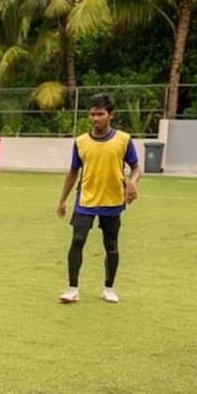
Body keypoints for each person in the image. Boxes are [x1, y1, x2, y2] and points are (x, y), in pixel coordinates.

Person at [56, 93, 140, 304]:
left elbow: (136, 167)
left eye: (100, 114)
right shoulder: (81, 142)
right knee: (77, 241)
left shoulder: (124, 140)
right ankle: (72, 288)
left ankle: (109, 288)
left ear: (110, 115)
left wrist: (132, 182)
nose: (95, 119)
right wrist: (62, 199)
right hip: (85, 200)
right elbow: (73, 171)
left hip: (112, 201)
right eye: (92, 114)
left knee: (111, 244)